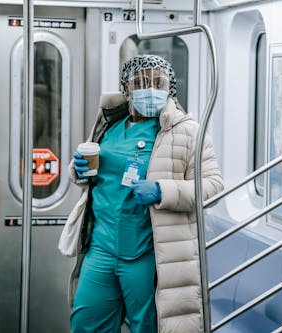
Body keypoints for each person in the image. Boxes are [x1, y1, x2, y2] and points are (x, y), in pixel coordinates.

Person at [68, 54, 223, 333]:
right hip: (101, 246)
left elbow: (212, 187)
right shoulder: (109, 125)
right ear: (126, 89)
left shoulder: (188, 132)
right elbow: (94, 174)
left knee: (148, 326)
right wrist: (76, 170)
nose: (150, 89)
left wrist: (162, 190)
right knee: (85, 323)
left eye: (158, 82)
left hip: (148, 252)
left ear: (169, 89)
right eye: (140, 82)